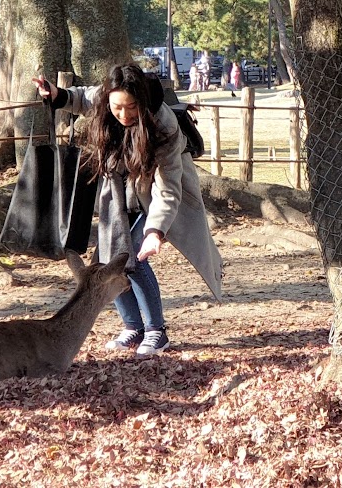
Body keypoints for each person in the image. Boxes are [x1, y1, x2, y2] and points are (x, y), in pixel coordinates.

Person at [32, 64, 222, 357]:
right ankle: (133, 327)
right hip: (118, 192)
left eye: (131, 107)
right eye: (117, 107)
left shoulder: (163, 124)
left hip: (155, 193)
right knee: (110, 259)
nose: (123, 115)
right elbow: (82, 98)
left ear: (142, 102)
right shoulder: (105, 100)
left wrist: (155, 231)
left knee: (134, 258)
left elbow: (169, 187)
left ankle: (157, 331)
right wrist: (56, 94)